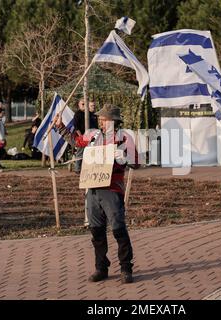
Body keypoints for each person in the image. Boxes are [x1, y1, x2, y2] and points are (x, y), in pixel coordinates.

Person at [75, 104, 138, 284]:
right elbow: (76, 142)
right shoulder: (93, 136)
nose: (100, 122)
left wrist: (124, 157)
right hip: (93, 189)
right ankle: (101, 267)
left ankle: (126, 268)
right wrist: (60, 127)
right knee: (96, 232)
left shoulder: (125, 137)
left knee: (118, 229)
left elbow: (136, 162)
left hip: (112, 190)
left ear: (113, 121)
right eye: (100, 119)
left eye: (103, 119)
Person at [72, 99, 99, 173]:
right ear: (79, 105)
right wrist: (81, 137)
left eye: (85, 104)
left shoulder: (90, 114)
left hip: (91, 136)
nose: (84, 106)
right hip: (81, 136)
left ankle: (89, 168)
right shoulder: (78, 114)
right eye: (82, 104)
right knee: (80, 152)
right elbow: (76, 126)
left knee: (90, 152)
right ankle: (77, 169)